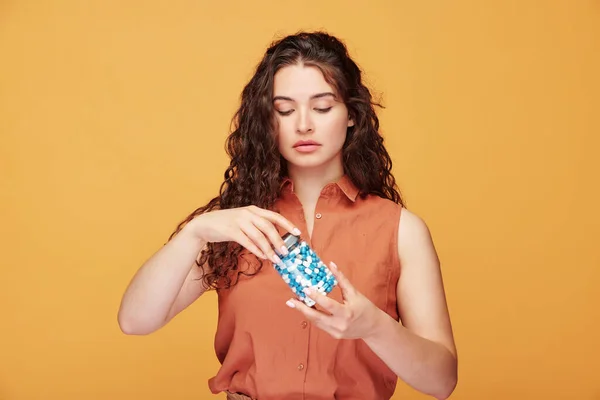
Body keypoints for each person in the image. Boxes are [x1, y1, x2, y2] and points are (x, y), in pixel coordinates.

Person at [117, 31, 458, 400]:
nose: (303, 124)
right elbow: (135, 321)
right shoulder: (236, 225)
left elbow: (441, 382)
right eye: (284, 110)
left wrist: (374, 326)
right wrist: (195, 231)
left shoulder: (401, 230)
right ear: (267, 120)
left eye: (323, 107)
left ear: (352, 116)